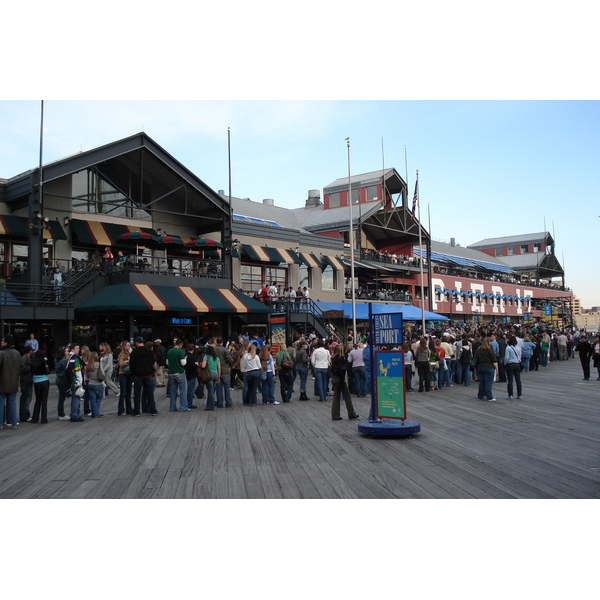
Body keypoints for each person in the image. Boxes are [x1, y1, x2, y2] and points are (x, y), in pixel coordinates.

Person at [129, 336, 158, 416]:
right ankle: (153, 410)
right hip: (148, 374)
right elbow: (153, 363)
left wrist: (133, 373)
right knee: (150, 393)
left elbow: (132, 364)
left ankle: (137, 411)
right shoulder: (149, 351)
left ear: (136, 343)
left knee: (137, 393)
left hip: (138, 375)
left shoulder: (134, 352)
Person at [330, 344, 359, 421]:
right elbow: (340, 369)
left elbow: (333, 369)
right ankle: (351, 413)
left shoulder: (333, 358)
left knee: (336, 396)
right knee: (347, 396)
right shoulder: (340, 358)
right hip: (340, 378)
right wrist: (343, 378)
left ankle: (335, 414)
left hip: (335, 378)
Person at [167, 338, 190, 412]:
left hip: (171, 372)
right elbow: (183, 363)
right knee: (183, 390)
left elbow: (167, 362)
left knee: (173, 390)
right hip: (179, 372)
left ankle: (172, 407)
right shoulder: (180, 352)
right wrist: (185, 359)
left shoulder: (169, 351)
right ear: (180, 344)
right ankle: (183, 407)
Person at [65, 343, 85, 422]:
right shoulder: (75, 358)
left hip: (70, 380)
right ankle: (75, 415)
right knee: (76, 398)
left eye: (78, 348)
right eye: (77, 348)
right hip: (75, 380)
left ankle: (75, 414)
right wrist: (80, 381)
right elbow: (78, 371)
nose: (78, 350)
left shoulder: (68, 357)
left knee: (75, 397)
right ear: (72, 349)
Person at [475, 337, 498, 402]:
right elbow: (494, 360)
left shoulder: (479, 349)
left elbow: (476, 358)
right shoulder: (490, 350)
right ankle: (489, 396)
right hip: (489, 366)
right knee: (488, 382)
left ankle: (480, 395)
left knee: (481, 382)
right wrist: (497, 369)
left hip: (480, 366)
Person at [214, 337, 233, 408]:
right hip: (225, 370)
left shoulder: (214, 349)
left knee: (218, 388)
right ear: (222, 342)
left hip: (216, 370)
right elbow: (230, 359)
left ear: (216, 342)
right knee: (226, 387)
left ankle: (219, 403)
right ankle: (228, 402)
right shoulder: (225, 350)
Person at [85, 351, 105, 418]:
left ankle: (94, 413)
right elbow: (102, 373)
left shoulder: (88, 366)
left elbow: (87, 375)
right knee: (98, 399)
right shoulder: (99, 364)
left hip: (90, 383)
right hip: (98, 383)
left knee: (92, 400)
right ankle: (96, 413)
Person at [54, 346, 71, 420]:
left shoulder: (58, 360)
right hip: (62, 379)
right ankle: (61, 414)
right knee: (62, 397)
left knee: (62, 397)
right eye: (67, 351)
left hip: (59, 379)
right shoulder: (63, 361)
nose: (68, 353)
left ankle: (61, 413)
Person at [117, 341, 133, 416]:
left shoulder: (130, 354)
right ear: (124, 346)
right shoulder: (122, 354)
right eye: (127, 345)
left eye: (129, 345)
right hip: (123, 374)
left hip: (129, 374)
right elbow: (121, 363)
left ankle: (129, 409)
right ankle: (120, 410)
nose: (129, 347)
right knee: (123, 392)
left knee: (129, 392)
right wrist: (128, 362)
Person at [504, 335, 523, 400]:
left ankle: (510, 395)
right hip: (517, 363)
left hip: (510, 364)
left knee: (510, 380)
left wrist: (505, 363)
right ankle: (519, 394)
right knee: (518, 380)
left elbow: (506, 357)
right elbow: (520, 356)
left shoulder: (508, 348)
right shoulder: (518, 348)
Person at [19, 346, 34, 422]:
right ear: (30, 351)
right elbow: (22, 369)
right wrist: (31, 366)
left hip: (27, 380)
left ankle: (25, 414)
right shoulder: (24, 359)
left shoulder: (26, 358)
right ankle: (24, 415)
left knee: (27, 398)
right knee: (26, 398)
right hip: (26, 380)